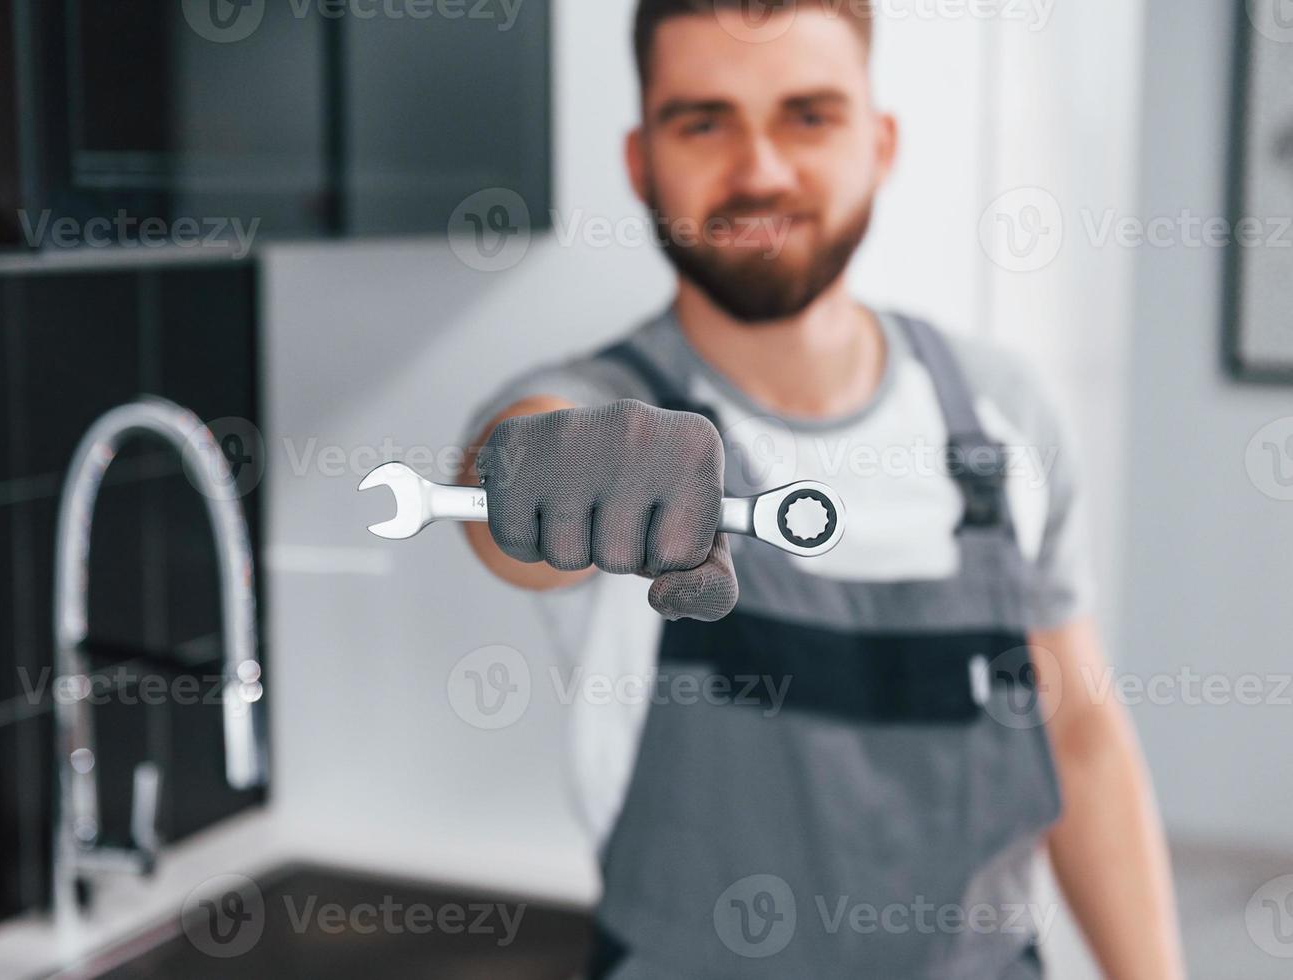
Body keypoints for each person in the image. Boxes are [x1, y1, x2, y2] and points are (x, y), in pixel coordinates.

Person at [458, 1, 1184, 976]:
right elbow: (511, 494)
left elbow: (1081, 732)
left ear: (879, 144)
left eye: (809, 116)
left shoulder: (1002, 414)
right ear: (639, 161)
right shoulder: (609, 407)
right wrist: (535, 472)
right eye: (704, 121)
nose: (759, 170)